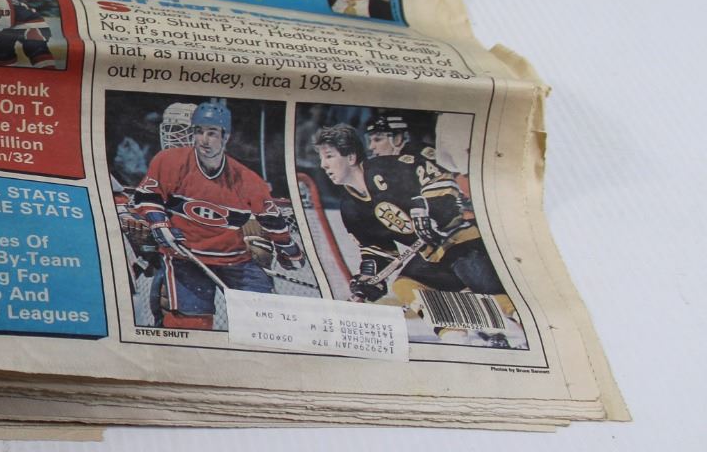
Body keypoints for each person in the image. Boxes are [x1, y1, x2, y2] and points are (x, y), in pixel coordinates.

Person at [311, 123, 517, 331]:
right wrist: (370, 278)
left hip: (462, 239)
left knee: (481, 281)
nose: (323, 165)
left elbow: (440, 178)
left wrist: (432, 209)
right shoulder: (350, 206)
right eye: (321, 158)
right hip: (433, 256)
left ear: (351, 157)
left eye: (329, 156)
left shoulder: (388, 167)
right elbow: (378, 249)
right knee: (405, 285)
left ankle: (516, 316)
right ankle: (454, 333)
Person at [129, 102, 302, 329]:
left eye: (211, 133)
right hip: (185, 257)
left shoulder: (247, 180)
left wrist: (289, 250)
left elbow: (272, 221)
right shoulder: (169, 161)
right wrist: (159, 225)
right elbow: (147, 196)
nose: (204, 140)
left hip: (234, 260)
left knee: (265, 321)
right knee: (189, 324)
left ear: (226, 137)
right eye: (198, 132)